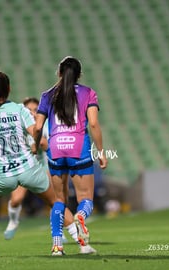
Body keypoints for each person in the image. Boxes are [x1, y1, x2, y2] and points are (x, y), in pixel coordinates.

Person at [0, 72, 84, 256]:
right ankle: (81, 242)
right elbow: (35, 130)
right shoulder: (20, 109)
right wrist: (34, 144)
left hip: (1, 174)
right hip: (28, 169)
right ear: (9, 89)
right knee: (55, 201)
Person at [34, 56, 108, 254]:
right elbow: (93, 124)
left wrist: (35, 145)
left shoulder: (47, 95)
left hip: (55, 149)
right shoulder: (88, 93)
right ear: (79, 75)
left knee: (59, 201)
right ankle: (81, 216)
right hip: (79, 149)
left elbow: (38, 126)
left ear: (59, 73)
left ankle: (57, 245)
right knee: (86, 199)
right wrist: (101, 152)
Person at [4, 97, 84, 249]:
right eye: (29, 110)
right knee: (16, 199)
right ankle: (13, 221)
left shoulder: (45, 124)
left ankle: (65, 233)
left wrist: (42, 142)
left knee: (55, 200)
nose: (33, 113)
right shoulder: (17, 126)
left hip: (44, 165)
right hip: (24, 167)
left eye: (36, 110)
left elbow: (47, 146)